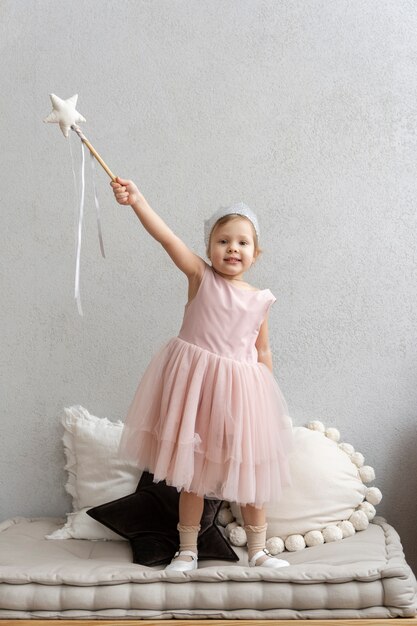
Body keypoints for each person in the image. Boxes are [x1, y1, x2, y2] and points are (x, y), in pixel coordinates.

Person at [111, 177, 294, 572]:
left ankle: (258, 551)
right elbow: (167, 239)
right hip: (197, 392)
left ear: (255, 253)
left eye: (242, 242)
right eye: (223, 240)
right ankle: (188, 549)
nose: (233, 248)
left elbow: (261, 350)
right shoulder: (200, 276)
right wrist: (138, 200)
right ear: (210, 248)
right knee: (191, 476)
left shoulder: (261, 300)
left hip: (241, 397)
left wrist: (266, 402)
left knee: (250, 473)